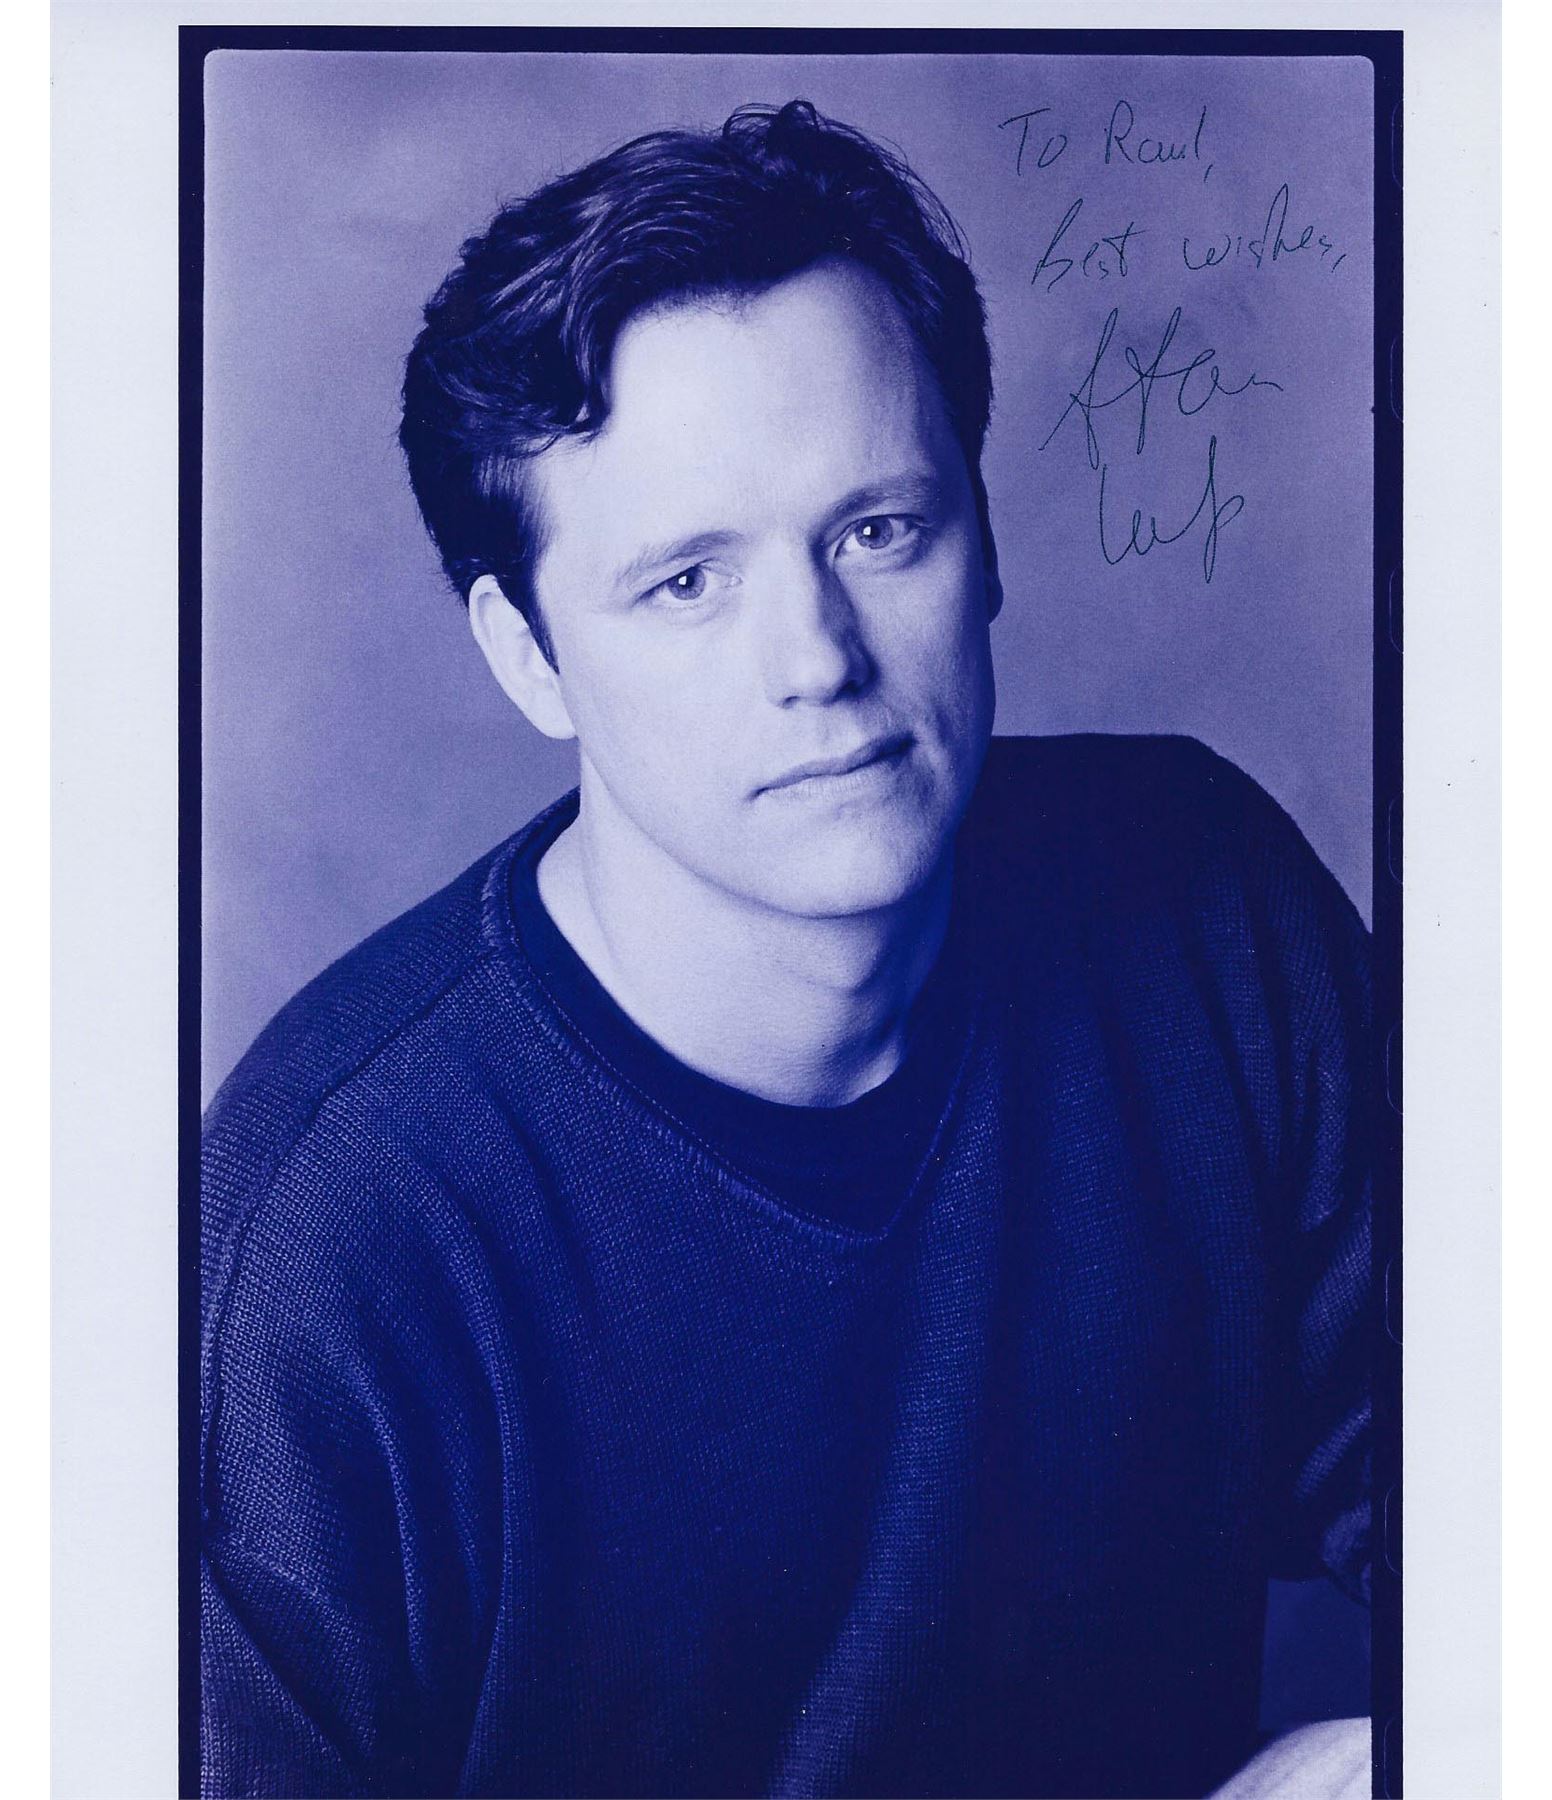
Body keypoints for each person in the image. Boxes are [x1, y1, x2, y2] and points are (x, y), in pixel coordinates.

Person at [199, 101, 1371, 1799]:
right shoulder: (326, 1244)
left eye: (877, 530)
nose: (816, 656)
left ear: (983, 540)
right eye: (687, 583)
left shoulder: (1207, 915)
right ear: (527, 657)